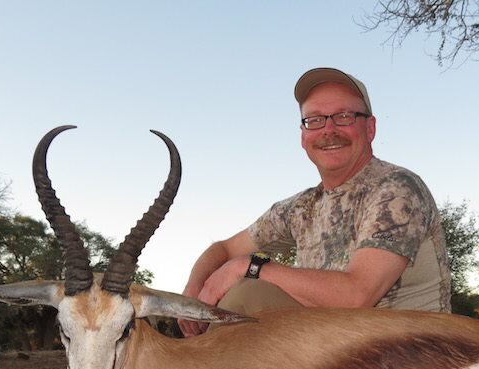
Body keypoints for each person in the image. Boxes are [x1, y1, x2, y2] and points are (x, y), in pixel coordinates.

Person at [179, 67, 451, 337]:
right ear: (302, 136)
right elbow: (225, 249)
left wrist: (248, 267)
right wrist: (194, 289)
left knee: (250, 295)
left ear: (370, 128)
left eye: (344, 116)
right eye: (315, 120)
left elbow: (356, 295)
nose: (329, 130)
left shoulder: (397, 189)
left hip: (410, 358)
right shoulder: (301, 208)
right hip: (335, 352)